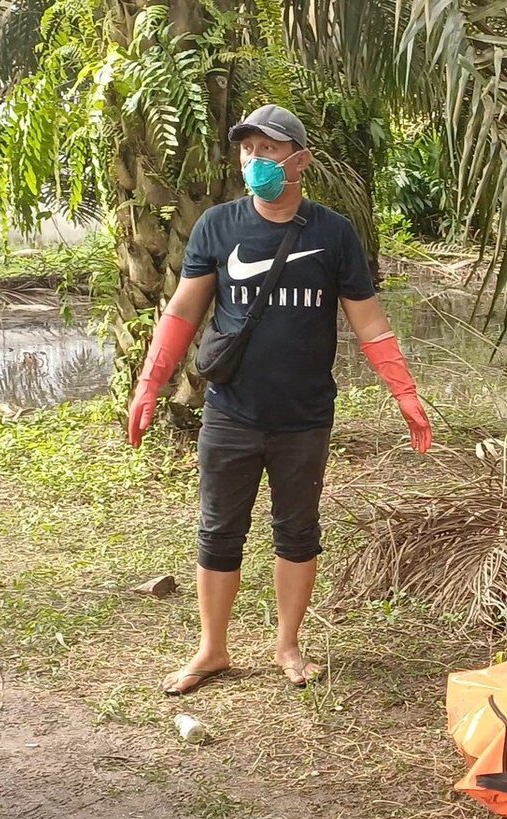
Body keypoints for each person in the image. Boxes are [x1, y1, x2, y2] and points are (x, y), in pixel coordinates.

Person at [131, 104, 432, 695]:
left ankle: (288, 645)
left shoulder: (332, 233)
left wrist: (405, 391)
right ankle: (211, 649)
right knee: (218, 531)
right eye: (247, 151)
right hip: (231, 411)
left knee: (297, 531)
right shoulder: (218, 226)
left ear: (300, 160)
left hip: (304, 417)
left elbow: (369, 323)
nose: (255, 162)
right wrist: (150, 382)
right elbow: (183, 312)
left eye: (268, 150)